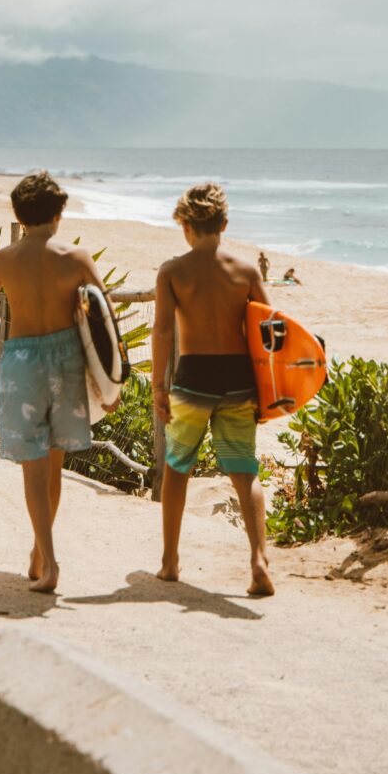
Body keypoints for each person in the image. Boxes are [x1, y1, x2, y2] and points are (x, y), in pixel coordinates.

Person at [0, 171, 116, 593]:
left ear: (19, 214)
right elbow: (106, 324)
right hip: (67, 360)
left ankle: (47, 561)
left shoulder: (5, 259)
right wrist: (111, 387)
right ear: (60, 212)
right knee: (53, 465)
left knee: (32, 466)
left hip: (22, 362)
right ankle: (39, 553)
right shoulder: (77, 258)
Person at [152, 182, 275, 596]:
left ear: (185, 225)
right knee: (244, 470)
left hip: (193, 378)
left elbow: (164, 331)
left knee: (177, 467)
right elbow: (271, 329)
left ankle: (170, 561)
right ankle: (259, 559)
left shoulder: (173, 271)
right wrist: (268, 387)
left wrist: (158, 386)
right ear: (224, 223)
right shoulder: (246, 271)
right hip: (239, 378)